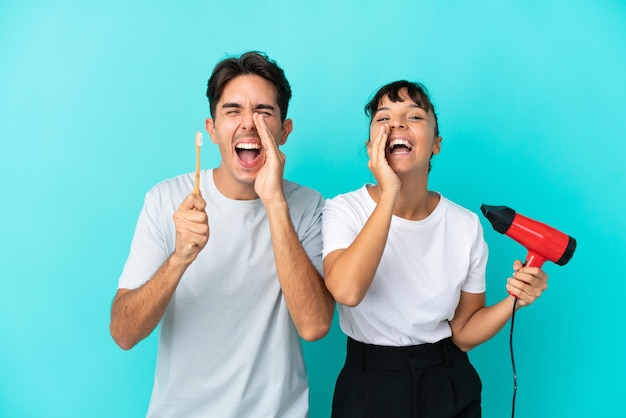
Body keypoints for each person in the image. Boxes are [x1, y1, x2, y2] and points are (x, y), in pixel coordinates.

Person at [110, 51, 334, 418]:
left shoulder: (309, 206)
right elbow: (123, 332)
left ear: (284, 130)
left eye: (264, 111)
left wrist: (274, 201)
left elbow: (314, 326)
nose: (249, 123)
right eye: (233, 111)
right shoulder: (165, 199)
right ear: (212, 130)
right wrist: (180, 257)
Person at [321, 80, 549, 418]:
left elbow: (465, 333)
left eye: (414, 117)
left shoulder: (465, 225)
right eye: (384, 118)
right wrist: (389, 193)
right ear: (370, 146)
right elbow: (347, 290)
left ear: (436, 144)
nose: (397, 124)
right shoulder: (343, 210)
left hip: (447, 381)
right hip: (369, 382)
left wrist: (515, 299)